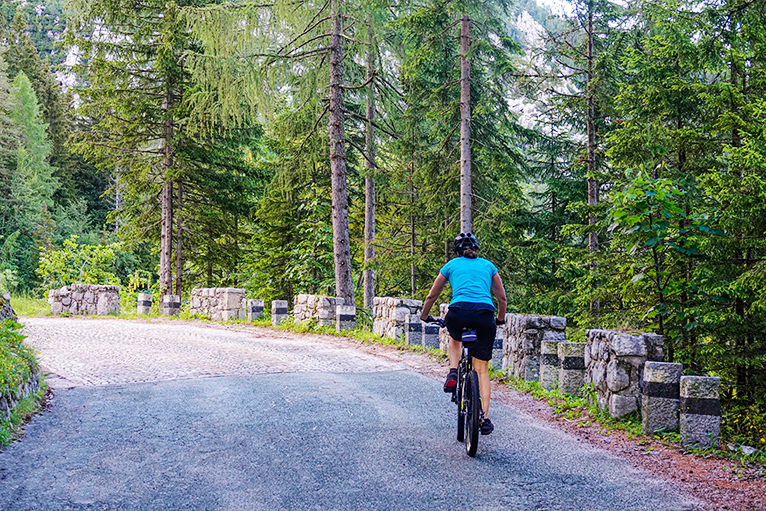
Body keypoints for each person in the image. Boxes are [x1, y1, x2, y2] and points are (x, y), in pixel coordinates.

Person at [420, 232, 507, 435]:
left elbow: (432, 294)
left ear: (457, 252)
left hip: (458, 312)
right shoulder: (488, 266)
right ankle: (484, 418)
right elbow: (501, 298)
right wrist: (500, 319)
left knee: (455, 338)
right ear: (476, 250)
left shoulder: (450, 265)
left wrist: (425, 316)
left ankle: (453, 371)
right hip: (485, 315)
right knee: (482, 370)